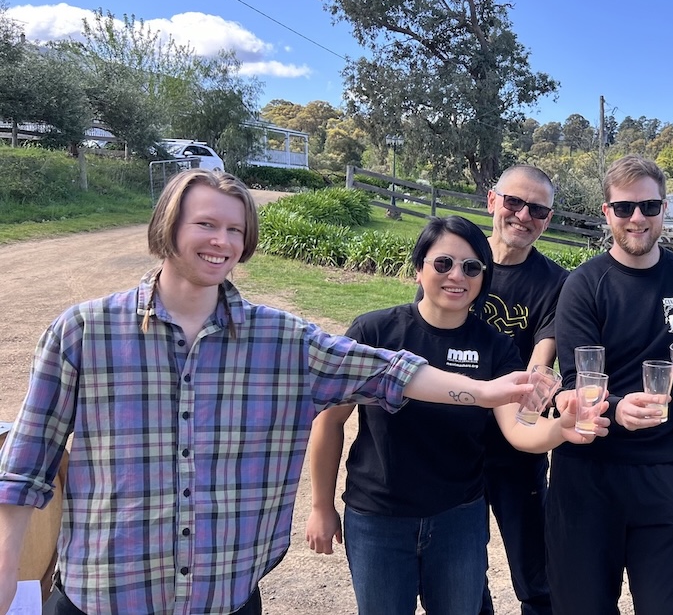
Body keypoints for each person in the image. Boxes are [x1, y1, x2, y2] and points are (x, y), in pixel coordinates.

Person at [0, 170, 532, 615]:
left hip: (224, 595)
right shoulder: (83, 332)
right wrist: (6, 569)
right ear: (168, 225)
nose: (221, 241)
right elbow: (26, 465)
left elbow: (390, 372)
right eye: (206, 224)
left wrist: (486, 392)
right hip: (107, 594)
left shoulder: (281, 339)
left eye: (235, 229)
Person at [304, 216, 597, 615]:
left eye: (471, 267)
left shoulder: (495, 347)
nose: (457, 276)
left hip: (458, 519)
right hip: (378, 517)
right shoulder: (375, 332)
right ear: (419, 268)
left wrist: (561, 428)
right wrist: (321, 506)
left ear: (483, 278)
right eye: (443, 263)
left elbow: (518, 429)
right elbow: (330, 420)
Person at [547, 154, 673, 615]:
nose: (637, 218)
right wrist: (617, 407)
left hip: (662, 469)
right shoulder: (584, 285)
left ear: (664, 209)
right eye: (624, 208)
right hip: (587, 473)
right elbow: (575, 381)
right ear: (606, 212)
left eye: (648, 206)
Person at [474, 166, 568, 615]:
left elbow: (541, 358)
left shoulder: (556, 282)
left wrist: (532, 388)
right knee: (460, 571)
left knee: (536, 574)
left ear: (548, 219)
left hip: (517, 444)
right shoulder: (461, 261)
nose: (523, 216)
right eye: (514, 202)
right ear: (492, 200)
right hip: (452, 442)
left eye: (538, 210)